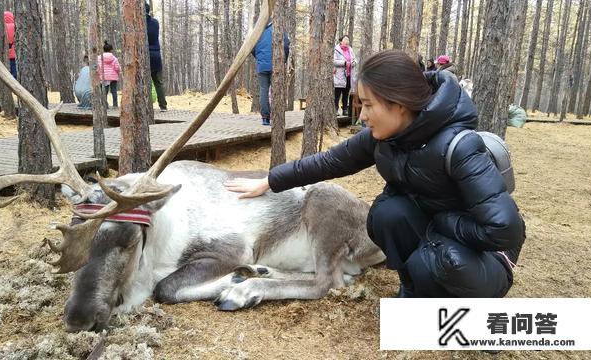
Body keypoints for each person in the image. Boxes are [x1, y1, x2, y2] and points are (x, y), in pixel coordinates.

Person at [225, 50, 525, 298]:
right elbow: (329, 162)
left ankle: (475, 311)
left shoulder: (459, 146)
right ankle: (415, 289)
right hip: (443, 240)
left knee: (434, 259)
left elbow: (505, 230)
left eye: (369, 105)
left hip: (487, 258)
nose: (362, 115)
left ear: (399, 104)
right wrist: (269, 180)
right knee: (386, 214)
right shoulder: (385, 137)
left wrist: (441, 224)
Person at [252, 20, 290, 126]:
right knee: (276, 90)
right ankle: (276, 116)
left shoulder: (258, 30)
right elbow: (286, 45)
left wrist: (260, 58)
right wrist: (283, 60)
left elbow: (252, 47)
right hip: (277, 65)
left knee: (264, 90)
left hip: (262, 66)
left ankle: (265, 118)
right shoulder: (279, 27)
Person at [146, 3, 168, 112]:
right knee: (158, 82)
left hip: (145, 55)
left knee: (144, 82)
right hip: (156, 54)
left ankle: (146, 106)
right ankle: (163, 106)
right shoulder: (155, 22)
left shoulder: (138, 23)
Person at [334, 35, 357, 116]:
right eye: (345, 39)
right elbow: (334, 61)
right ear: (341, 41)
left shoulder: (350, 49)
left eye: (348, 39)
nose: (347, 41)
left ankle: (345, 109)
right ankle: (335, 109)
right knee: (337, 93)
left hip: (348, 74)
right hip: (339, 74)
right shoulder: (336, 49)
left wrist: (354, 63)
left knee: (346, 93)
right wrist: (344, 63)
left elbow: (354, 59)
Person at [98, 41, 121, 109]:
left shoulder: (99, 58)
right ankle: (115, 105)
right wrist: (118, 71)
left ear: (103, 49)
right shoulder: (114, 58)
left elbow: (98, 67)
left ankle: (105, 105)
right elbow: (117, 68)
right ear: (111, 50)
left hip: (104, 77)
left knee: (105, 91)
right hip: (113, 76)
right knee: (114, 91)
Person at [4, 11, 16, 79]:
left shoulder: (2, 28)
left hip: (6, 54)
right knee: (15, 71)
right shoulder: (15, 26)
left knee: (8, 73)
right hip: (15, 54)